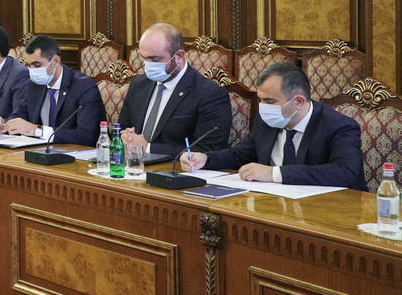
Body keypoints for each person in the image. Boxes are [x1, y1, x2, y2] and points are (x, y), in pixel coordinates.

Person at [180, 62, 366, 190]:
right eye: (260, 99)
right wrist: (206, 159)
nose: (262, 107)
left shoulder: (339, 126)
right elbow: (241, 154)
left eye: (269, 101)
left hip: (328, 210)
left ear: (299, 102)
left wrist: (274, 174)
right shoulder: (267, 120)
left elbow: (346, 172)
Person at [118, 22, 231, 160]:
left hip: (175, 169)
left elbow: (207, 150)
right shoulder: (139, 84)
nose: (148, 65)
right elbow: (120, 129)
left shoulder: (209, 94)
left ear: (179, 56)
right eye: (144, 58)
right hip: (132, 165)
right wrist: (126, 137)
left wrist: (147, 147)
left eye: (155, 59)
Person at [0, 34, 104, 145]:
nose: (31, 70)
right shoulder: (34, 84)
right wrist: (3, 124)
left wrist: (38, 131)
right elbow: (20, 115)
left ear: (56, 61)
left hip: (75, 154)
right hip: (39, 151)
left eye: (37, 65)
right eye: (28, 65)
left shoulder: (84, 87)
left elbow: (87, 136)